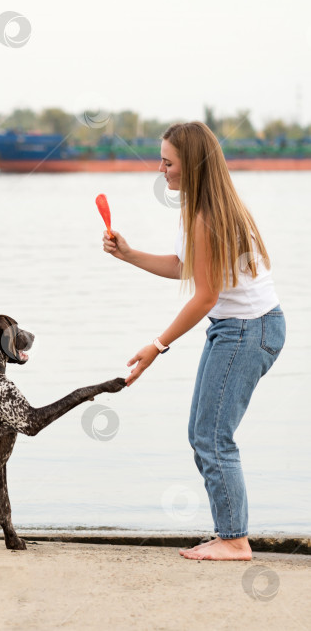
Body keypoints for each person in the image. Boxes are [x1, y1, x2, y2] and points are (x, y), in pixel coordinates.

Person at [102, 121, 286, 561]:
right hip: (241, 327)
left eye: (168, 162)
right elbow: (188, 267)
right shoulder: (207, 206)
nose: (161, 169)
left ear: (193, 166)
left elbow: (204, 296)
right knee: (204, 433)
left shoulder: (207, 215)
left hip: (246, 329)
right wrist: (130, 255)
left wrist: (156, 346)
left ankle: (234, 540)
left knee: (213, 436)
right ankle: (229, 534)